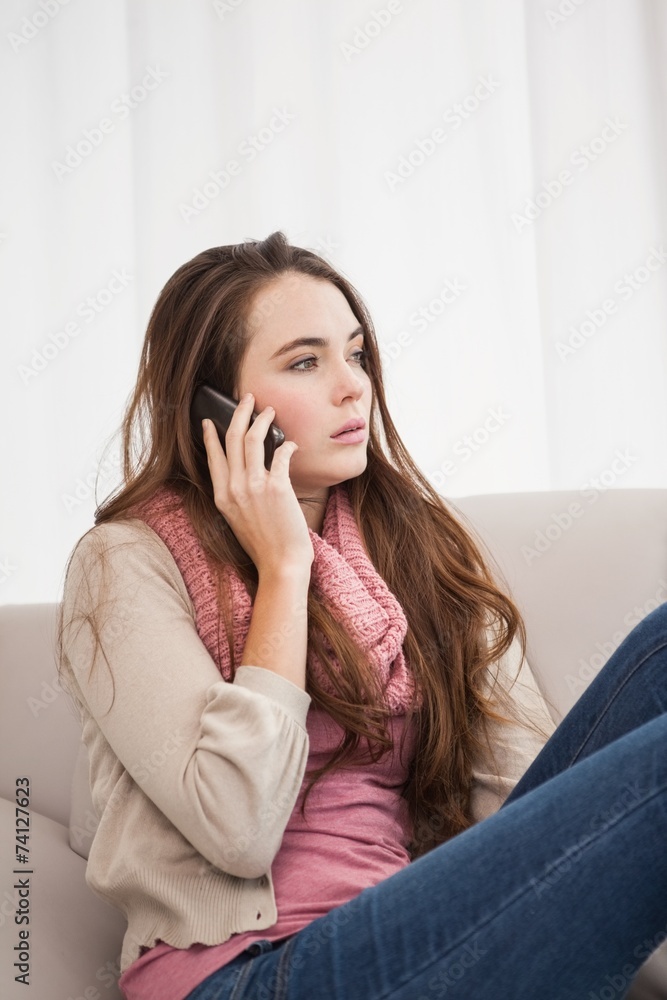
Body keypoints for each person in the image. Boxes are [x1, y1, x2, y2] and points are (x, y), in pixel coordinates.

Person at [57, 231, 667, 1000]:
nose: (353, 387)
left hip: (419, 937)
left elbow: (530, 812)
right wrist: (284, 567)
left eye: (357, 354)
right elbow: (238, 830)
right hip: (252, 973)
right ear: (219, 405)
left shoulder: (418, 546)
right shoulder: (123, 562)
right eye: (306, 362)